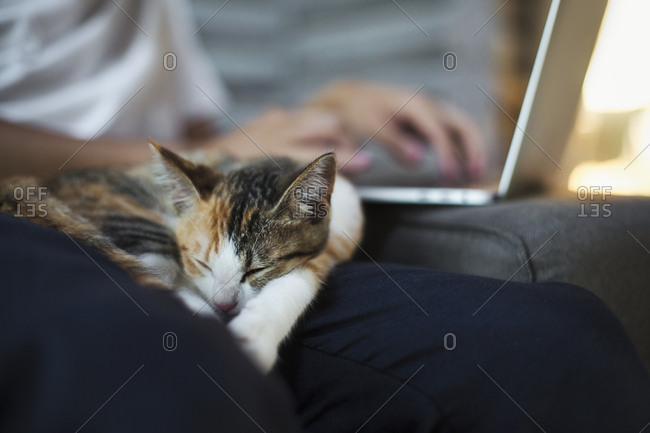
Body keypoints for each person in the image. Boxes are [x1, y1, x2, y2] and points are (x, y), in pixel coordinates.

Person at [1, 1, 649, 432]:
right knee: (188, 372)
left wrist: (322, 114)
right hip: (37, 223)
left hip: (197, 226)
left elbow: (191, 133)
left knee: (557, 344)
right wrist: (212, 155)